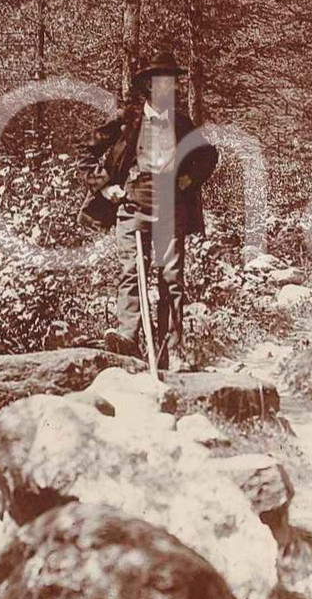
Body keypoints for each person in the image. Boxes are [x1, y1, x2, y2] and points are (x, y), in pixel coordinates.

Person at [79, 49, 219, 369]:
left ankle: (171, 350)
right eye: (160, 83)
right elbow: (86, 150)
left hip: (172, 206)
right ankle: (127, 338)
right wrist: (104, 185)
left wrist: (187, 181)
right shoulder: (127, 120)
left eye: (171, 83)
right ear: (148, 87)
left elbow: (209, 156)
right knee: (131, 272)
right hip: (132, 204)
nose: (166, 89)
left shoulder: (182, 123)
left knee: (171, 277)